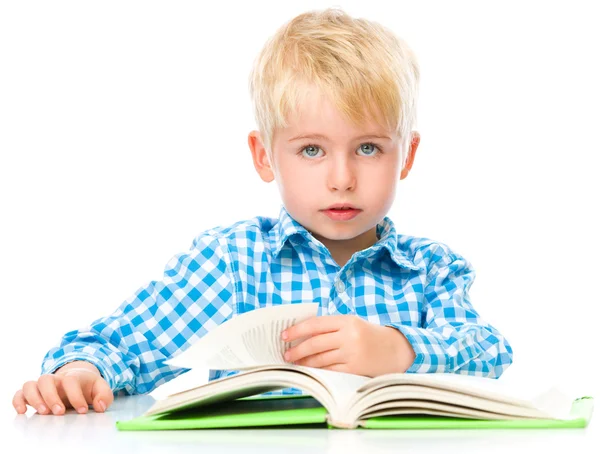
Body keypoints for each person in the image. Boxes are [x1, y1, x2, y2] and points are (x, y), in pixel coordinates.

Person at [13, 7, 513, 417]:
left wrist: (399, 350)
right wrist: (79, 372)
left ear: (406, 155)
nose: (342, 178)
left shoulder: (430, 270)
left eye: (368, 149)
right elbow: (127, 342)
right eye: (312, 150)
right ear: (264, 156)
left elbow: (488, 350)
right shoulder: (234, 262)